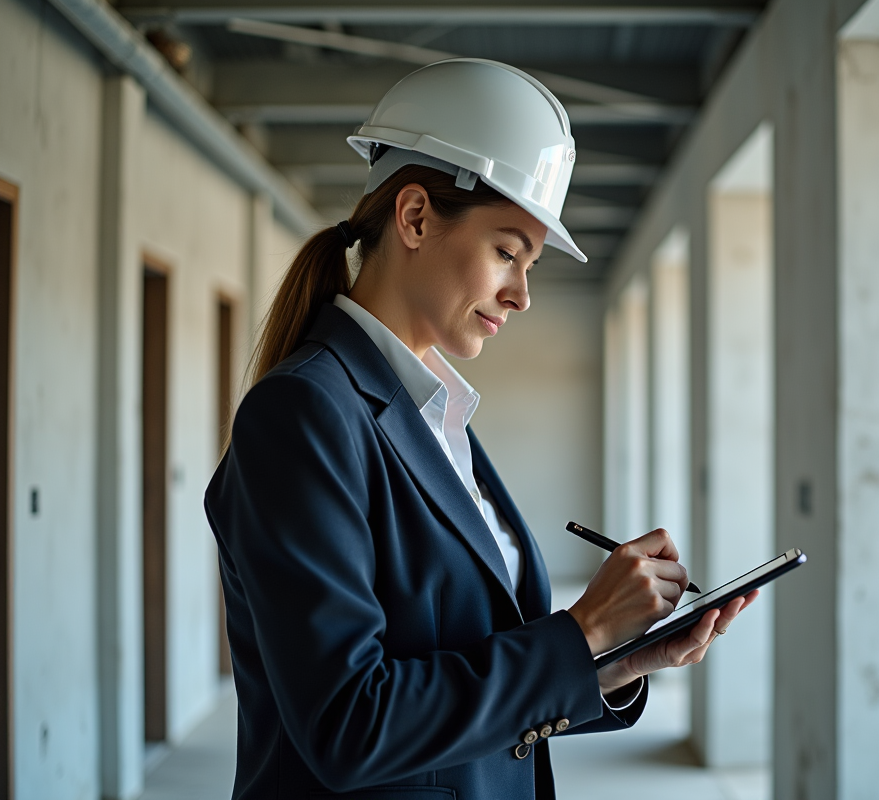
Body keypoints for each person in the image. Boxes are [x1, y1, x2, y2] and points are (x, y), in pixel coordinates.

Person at [204, 58, 757, 800]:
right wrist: (581, 630)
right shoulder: (303, 415)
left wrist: (620, 658)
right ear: (415, 217)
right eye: (507, 251)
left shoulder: (439, 416)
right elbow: (347, 725)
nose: (522, 294)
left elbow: (476, 678)